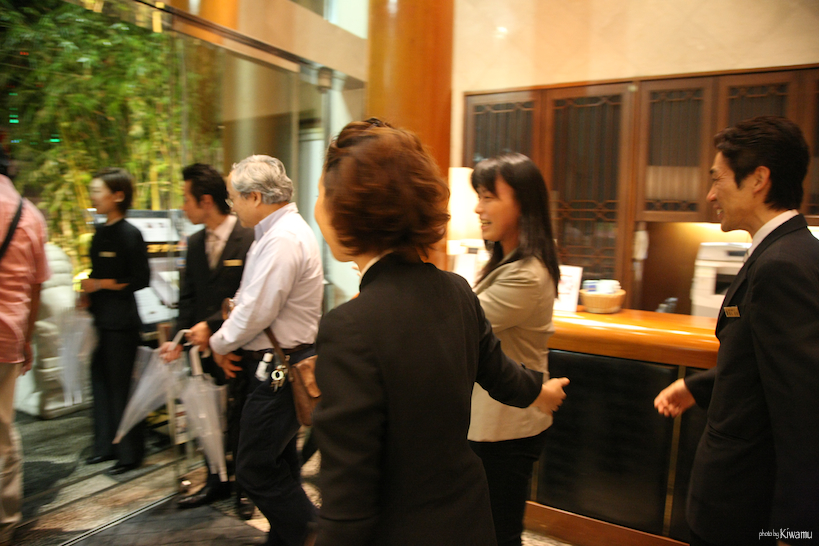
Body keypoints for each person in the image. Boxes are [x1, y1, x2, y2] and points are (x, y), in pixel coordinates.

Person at [311, 118, 570, 546]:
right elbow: (501, 373)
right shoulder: (456, 291)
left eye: (323, 194)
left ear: (348, 213)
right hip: (466, 517)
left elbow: (348, 501)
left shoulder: (349, 327)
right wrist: (538, 389)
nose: (317, 208)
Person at [654, 116, 819, 546]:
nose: (711, 194)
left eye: (718, 178)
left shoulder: (782, 265)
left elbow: (802, 407)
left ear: (759, 179)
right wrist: (699, 386)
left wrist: (794, 528)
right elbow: (763, 365)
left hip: (744, 505)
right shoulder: (786, 250)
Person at [188, 155, 323, 546]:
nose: (231, 205)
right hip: (277, 363)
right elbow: (249, 301)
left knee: (254, 468)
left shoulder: (283, 238)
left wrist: (218, 343)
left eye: (233, 197)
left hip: (277, 369)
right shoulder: (275, 233)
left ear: (255, 196)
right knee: (280, 462)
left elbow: (256, 311)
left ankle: (315, 533)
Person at [467, 153, 562, 546]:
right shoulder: (505, 264)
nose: (479, 208)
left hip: (505, 425)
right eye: (479, 197)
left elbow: (459, 325)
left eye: (489, 197)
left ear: (523, 203)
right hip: (491, 419)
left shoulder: (526, 275)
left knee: (499, 533)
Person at [159, 164, 255, 517]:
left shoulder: (249, 237)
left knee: (242, 420)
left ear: (206, 201)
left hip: (240, 347)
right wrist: (177, 339)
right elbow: (187, 297)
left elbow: (249, 298)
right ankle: (216, 479)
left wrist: (212, 326)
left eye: (186, 199)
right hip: (201, 349)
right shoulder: (196, 242)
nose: (182, 206)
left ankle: (245, 488)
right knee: (207, 417)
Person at [80, 168, 150, 475]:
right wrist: (87, 293)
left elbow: (140, 278)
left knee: (123, 388)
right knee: (100, 384)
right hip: (100, 320)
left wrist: (100, 285)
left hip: (122, 323)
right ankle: (105, 446)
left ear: (118, 195)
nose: (93, 196)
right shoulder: (99, 233)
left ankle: (130, 454)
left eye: (98, 191)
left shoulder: (130, 234)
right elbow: (97, 273)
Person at [0, 157, 50, 546]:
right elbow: (36, 286)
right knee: (3, 429)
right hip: (8, 333)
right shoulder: (29, 215)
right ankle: (5, 521)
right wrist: (26, 340)